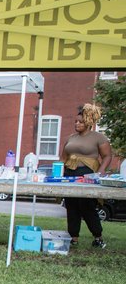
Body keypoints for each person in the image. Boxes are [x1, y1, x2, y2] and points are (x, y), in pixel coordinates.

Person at [61, 103, 112, 248]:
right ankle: (73, 237)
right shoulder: (71, 137)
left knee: (87, 206)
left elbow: (107, 156)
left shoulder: (98, 137)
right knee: (71, 206)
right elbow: (63, 157)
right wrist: (58, 171)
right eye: (76, 121)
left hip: (88, 174)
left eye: (80, 122)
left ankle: (98, 237)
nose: (77, 124)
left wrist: (100, 172)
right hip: (70, 173)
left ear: (88, 122)